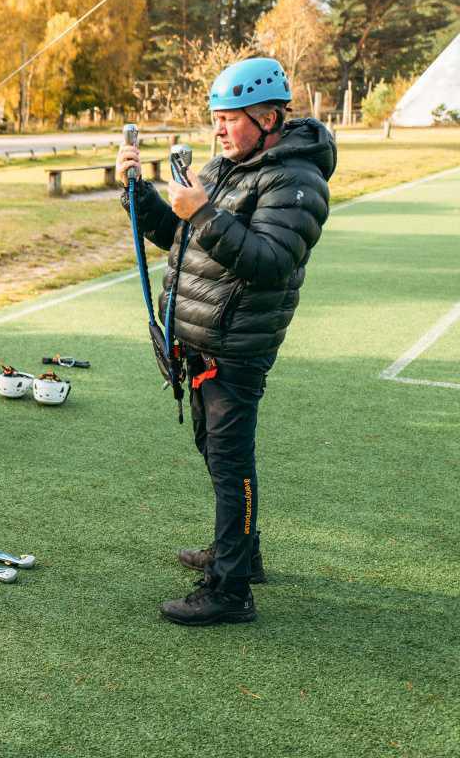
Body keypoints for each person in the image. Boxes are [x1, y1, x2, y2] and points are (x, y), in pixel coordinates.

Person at [116, 57, 335, 625]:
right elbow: (180, 235)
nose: (218, 130)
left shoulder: (297, 180)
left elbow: (269, 261)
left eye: (230, 119)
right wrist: (140, 196)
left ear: (268, 118)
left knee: (230, 462)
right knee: (217, 455)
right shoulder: (226, 167)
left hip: (236, 347)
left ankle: (231, 591)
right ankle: (241, 554)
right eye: (215, 118)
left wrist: (205, 213)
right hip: (201, 340)